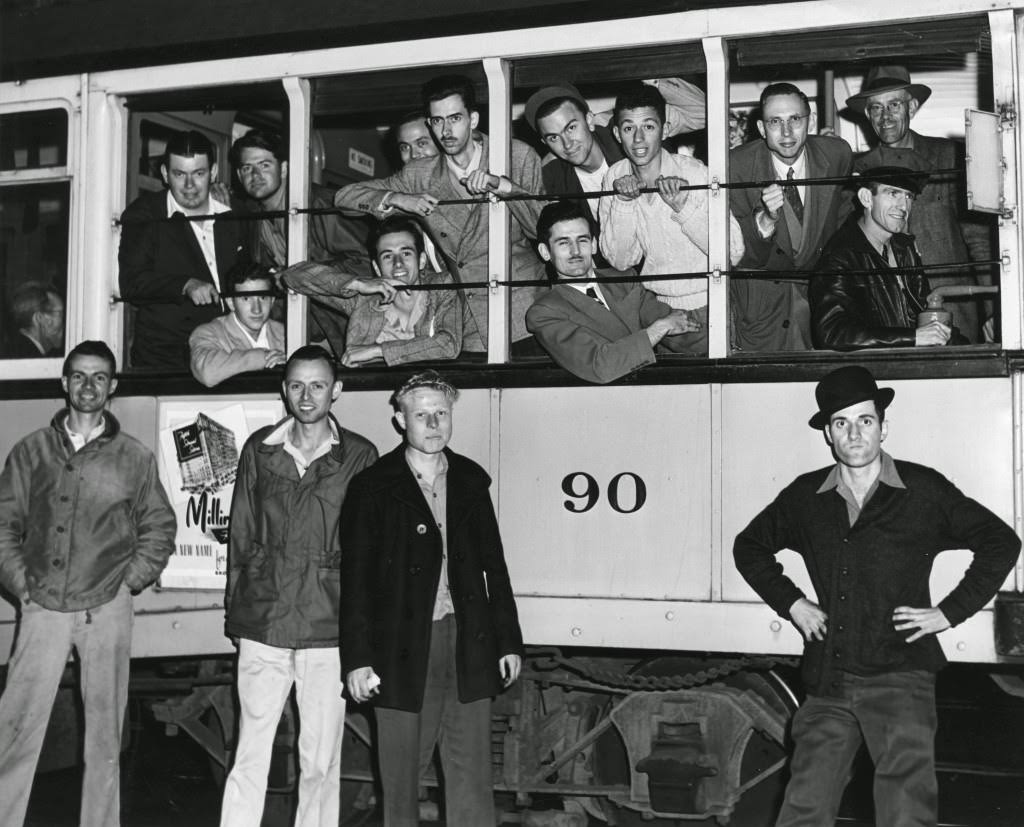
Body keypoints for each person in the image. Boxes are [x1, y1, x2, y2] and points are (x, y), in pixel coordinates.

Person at [733, 364, 1019, 827]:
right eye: (841, 423)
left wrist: (948, 613)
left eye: (865, 420)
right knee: (803, 809)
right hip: (828, 681)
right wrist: (793, 603)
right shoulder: (807, 497)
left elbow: (1000, 541)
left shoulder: (922, 491)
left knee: (905, 813)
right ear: (828, 433)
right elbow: (749, 547)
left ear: (883, 427)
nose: (854, 433)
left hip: (901, 678)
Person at [0, 340, 176, 827]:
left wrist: (129, 582)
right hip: (44, 607)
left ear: (112, 387)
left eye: (99, 377)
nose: (89, 386)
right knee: (14, 729)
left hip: (107, 609)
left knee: (104, 738)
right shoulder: (31, 451)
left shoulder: (133, 457)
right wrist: (21, 584)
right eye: (79, 376)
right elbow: (3, 523)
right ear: (64, 382)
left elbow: (159, 527)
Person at [340, 371, 524, 827]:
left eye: (441, 413)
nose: (433, 423)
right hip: (401, 646)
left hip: (466, 642)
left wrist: (508, 641)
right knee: (401, 778)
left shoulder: (470, 482)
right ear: (400, 420)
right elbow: (356, 582)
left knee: (470, 774)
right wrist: (358, 659)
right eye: (421, 414)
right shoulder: (373, 488)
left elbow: (494, 570)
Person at [220, 345, 377, 827]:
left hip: (326, 627)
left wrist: (362, 633)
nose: (306, 396)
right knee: (250, 754)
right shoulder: (260, 450)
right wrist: (236, 614)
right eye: (296, 385)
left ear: (338, 391)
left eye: (318, 385)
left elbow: (369, 553)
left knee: (319, 762)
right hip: (263, 621)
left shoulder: (360, 456)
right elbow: (242, 535)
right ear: (283, 390)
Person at [335, 74, 547, 353]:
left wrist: (502, 186)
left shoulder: (516, 155)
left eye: (454, 119)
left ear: (473, 119)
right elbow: (344, 198)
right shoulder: (419, 174)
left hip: (527, 310)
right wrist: (398, 199)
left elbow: (541, 228)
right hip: (470, 323)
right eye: (437, 121)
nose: (446, 130)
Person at [849, 65, 995, 342]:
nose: (886, 117)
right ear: (868, 114)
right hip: (889, 318)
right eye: (876, 108)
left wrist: (992, 310)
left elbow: (980, 240)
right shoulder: (857, 169)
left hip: (953, 309)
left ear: (912, 107)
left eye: (894, 105)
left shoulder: (949, 157)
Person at [598, 82, 744, 355]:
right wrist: (623, 203)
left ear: (665, 129)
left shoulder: (695, 173)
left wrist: (684, 207)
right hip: (655, 312)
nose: (639, 139)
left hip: (708, 308)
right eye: (629, 128)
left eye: (649, 127)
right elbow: (620, 261)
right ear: (617, 133)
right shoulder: (614, 177)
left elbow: (733, 253)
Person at [729, 83, 854, 351]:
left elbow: (844, 216)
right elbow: (737, 255)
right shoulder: (734, 167)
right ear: (762, 128)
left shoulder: (837, 154)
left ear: (811, 121)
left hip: (821, 302)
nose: (786, 133)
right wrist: (763, 222)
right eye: (775, 122)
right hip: (762, 312)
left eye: (795, 119)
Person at [118, 129, 250, 370]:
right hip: (166, 359)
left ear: (213, 172)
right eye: (180, 174)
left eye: (198, 173)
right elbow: (132, 284)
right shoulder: (145, 214)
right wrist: (185, 284)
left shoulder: (234, 213)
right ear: (165, 174)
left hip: (230, 352)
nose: (190, 185)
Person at [526, 200, 698, 383]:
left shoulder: (624, 280)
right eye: (563, 243)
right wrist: (660, 329)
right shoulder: (544, 312)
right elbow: (600, 365)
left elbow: (673, 323)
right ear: (545, 252)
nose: (575, 251)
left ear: (593, 244)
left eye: (582, 240)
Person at [524, 78, 706, 250]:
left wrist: (651, 78)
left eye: (571, 128)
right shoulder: (551, 174)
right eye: (554, 137)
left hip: (680, 247)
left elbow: (705, 111)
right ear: (544, 142)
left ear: (589, 120)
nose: (567, 144)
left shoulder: (627, 128)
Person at [281, 216, 462, 367]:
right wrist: (357, 284)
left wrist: (378, 350)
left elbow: (448, 344)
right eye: (388, 256)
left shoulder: (441, 286)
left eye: (406, 253)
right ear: (376, 266)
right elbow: (293, 276)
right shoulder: (365, 298)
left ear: (421, 260)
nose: (398, 263)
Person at [810, 166, 955, 350]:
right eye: (893, 193)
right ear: (866, 198)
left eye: (908, 196)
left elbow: (922, 310)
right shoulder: (841, 256)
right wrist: (913, 337)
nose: (903, 206)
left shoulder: (904, 248)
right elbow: (832, 333)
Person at [188, 264, 286, 386]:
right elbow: (207, 373)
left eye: (262, 297)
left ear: (272, 301)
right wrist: (263, 357)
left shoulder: (286, 333)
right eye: (246, 299)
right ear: (231, 303)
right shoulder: (208, 333)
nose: (257, 309)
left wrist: (292, 364)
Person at [5, 281, 65, 358]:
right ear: (39, 318)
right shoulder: (30, 358)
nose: (65, 322)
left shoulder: (15, 349)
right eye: (60, 313)